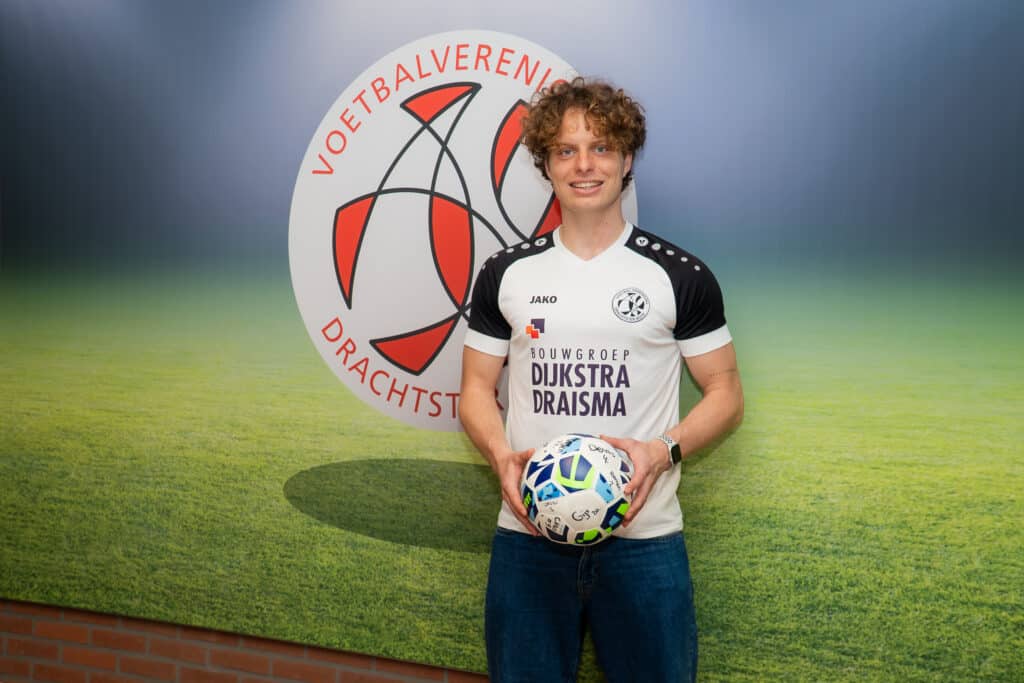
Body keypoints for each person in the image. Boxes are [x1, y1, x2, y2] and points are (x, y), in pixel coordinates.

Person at [459, 77, 744, 682]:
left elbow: (726, 394)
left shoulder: (679, 275)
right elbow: (476, 391)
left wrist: (659, 452)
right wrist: (502, 456)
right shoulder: (505, 274)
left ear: (627, 159)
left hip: (644, 541)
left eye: (601, 148)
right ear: (546, 164)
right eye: (566, 150)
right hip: (528, 538)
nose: (584, 165)